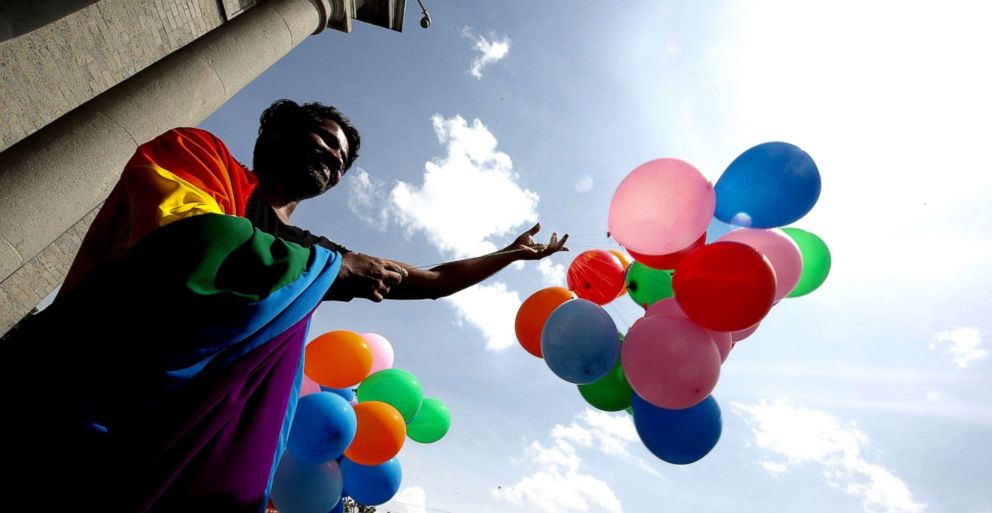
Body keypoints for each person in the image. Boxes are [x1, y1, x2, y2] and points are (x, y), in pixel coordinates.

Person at [0, 99, 567, 512]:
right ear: (275, 135)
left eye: (342, 161)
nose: (334, 161)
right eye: (325, 141)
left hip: (195, 450)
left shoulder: (315, 253)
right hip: (80, 405)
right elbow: (182, 248)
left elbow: (435, 280)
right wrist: (330, 272)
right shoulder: (196, 154)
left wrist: (509, 254)